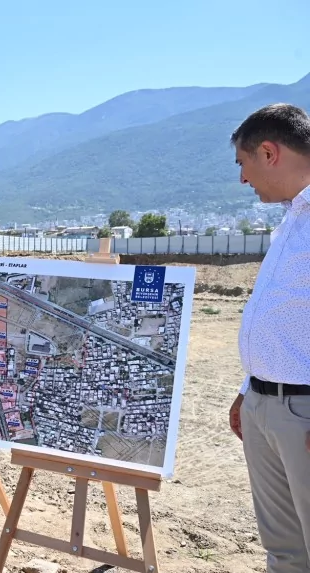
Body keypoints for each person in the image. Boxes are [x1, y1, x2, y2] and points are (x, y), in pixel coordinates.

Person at [227, 102, 310, 573]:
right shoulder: (293, 219)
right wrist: (249, 390)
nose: (243, 178)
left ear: (268, 152)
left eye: (243, 163)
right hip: (266, 405)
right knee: (283, 550)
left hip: (303, 411)